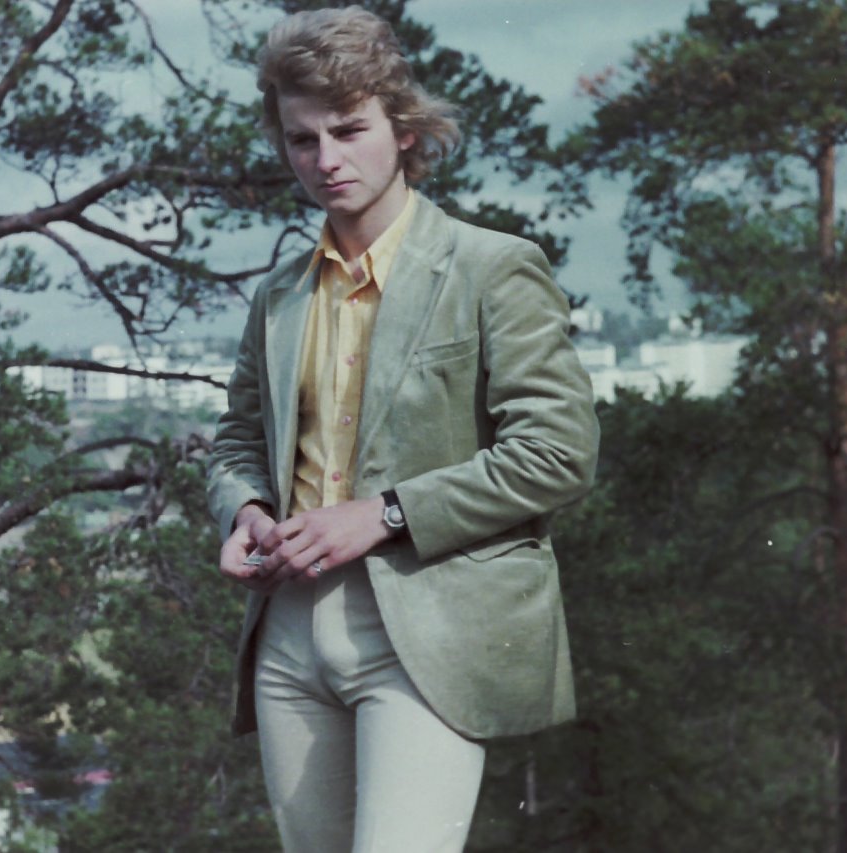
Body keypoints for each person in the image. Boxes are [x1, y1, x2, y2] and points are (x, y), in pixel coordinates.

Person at [207, 6, 599, 851]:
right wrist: (244, 511)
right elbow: (236, 440)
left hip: (426, 637)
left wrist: (383, 513)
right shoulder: (279, 295)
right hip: (286, 638)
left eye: (350, 130)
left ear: (406, 130)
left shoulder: (493, 268)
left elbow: (558, 453)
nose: (326, 159)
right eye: (303, 139)